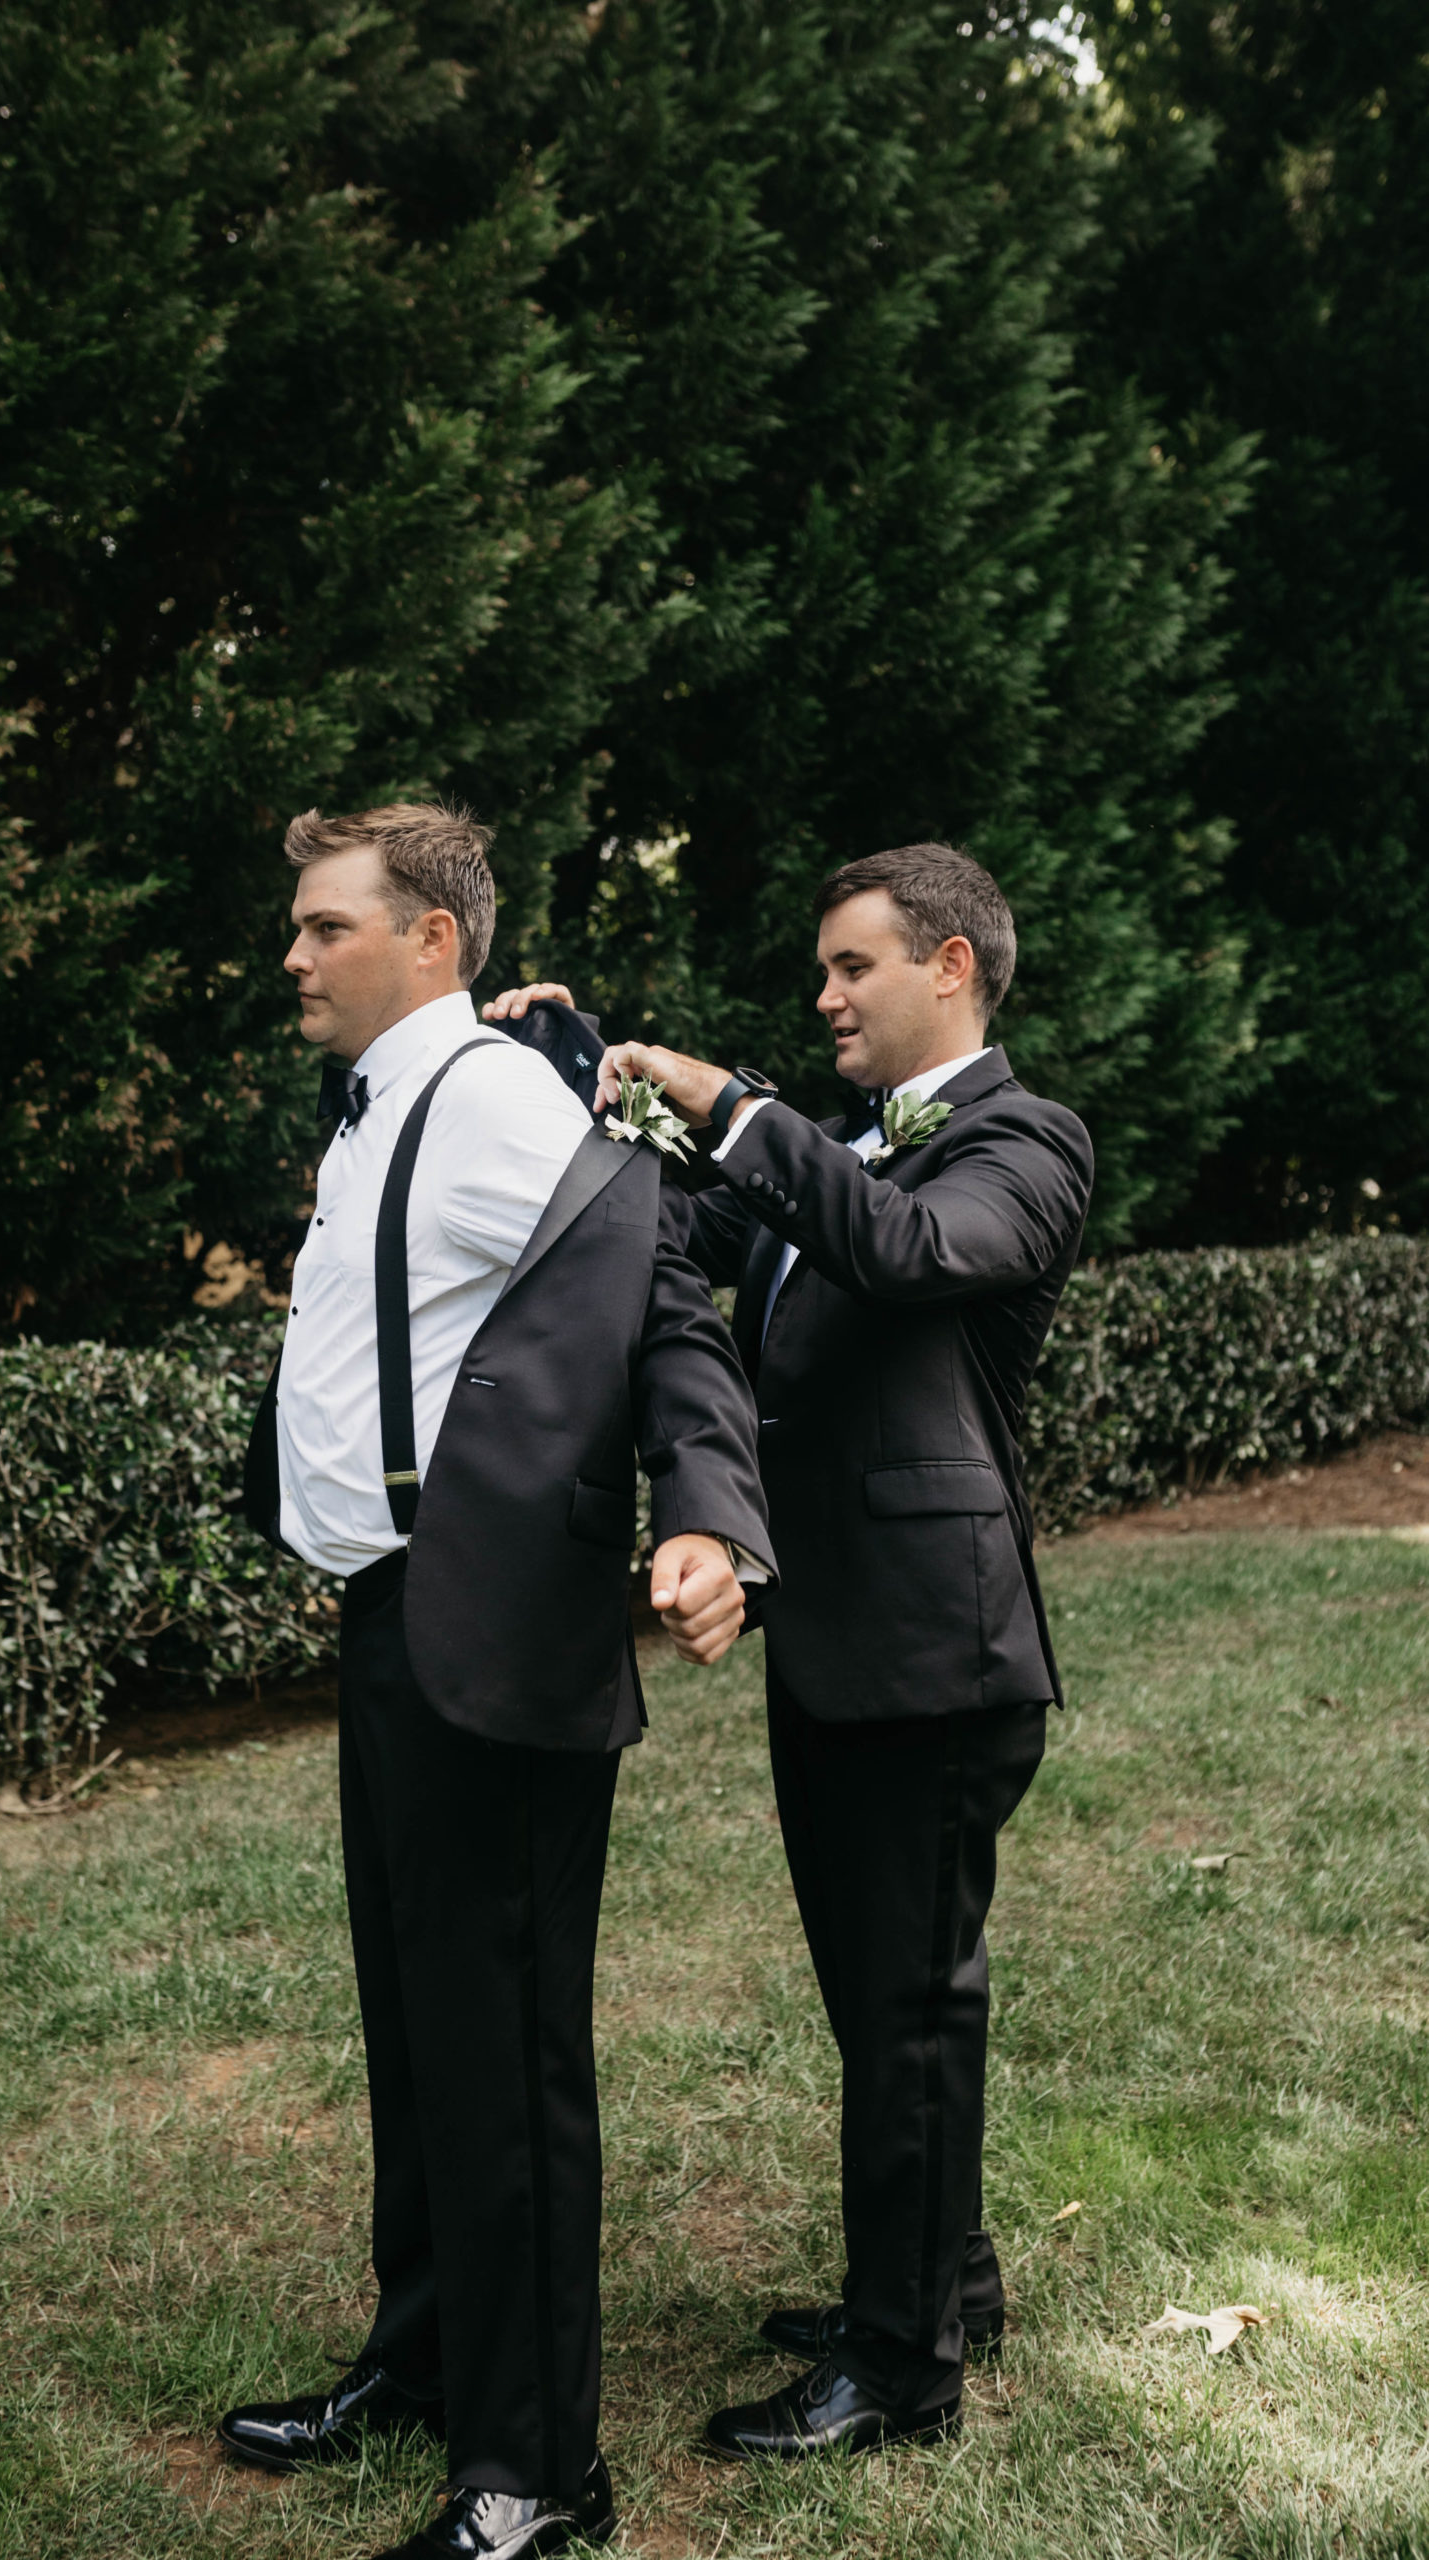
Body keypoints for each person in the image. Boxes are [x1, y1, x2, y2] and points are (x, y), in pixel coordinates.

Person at [484, 841, 1093, 2460]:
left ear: (950, 966)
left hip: (938, 1654)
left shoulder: (1025, 1142)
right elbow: (669, 1223)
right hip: (841, 1643)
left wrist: (734, 1100)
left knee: (910, 2009)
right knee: (877, 2002)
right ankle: (945, 2282)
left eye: (851, 965)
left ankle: (902, 2372)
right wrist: (569, 1066)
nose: (824, 995)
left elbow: (905, 1250)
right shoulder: (833, 1155)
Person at [224, 802, 774, 2560]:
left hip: (494, 1630)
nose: (294, 954)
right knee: (418, 2023)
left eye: (326, 925)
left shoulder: (495, 1104)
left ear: (433, 941)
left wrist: (707, 1513)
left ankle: (538, 2472)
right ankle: (429, 2359)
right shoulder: (386, 1106)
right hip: (394, 1623)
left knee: (506, 2047)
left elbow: (663, 1302)